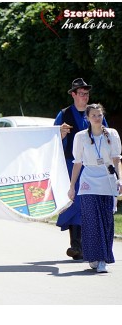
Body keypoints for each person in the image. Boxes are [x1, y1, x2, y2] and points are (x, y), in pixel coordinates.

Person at [54, 78, 108, 260]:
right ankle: (76, 245)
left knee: (89, 202)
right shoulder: (64, 114)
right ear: (73, 94)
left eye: (87, 94)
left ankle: (84, 245)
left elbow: (107, 137)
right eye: (81, 93)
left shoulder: (95, 114)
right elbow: (52, 141)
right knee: (74, 202)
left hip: (93, 166)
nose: (85, 97)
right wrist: (59, 135)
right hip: (71, 164)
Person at [68, 103, 121, 274]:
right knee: (91, 221)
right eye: (93, 116)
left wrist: (120, 179)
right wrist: (71, 186)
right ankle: (93, 256)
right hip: (88, 182)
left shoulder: (112, 134)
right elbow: (77, 163)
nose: (97, 119)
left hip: (107, 180)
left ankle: (103, 260)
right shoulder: (81, 137)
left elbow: (116, 159)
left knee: (106, 221)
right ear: (88, 118)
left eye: (99, 115)